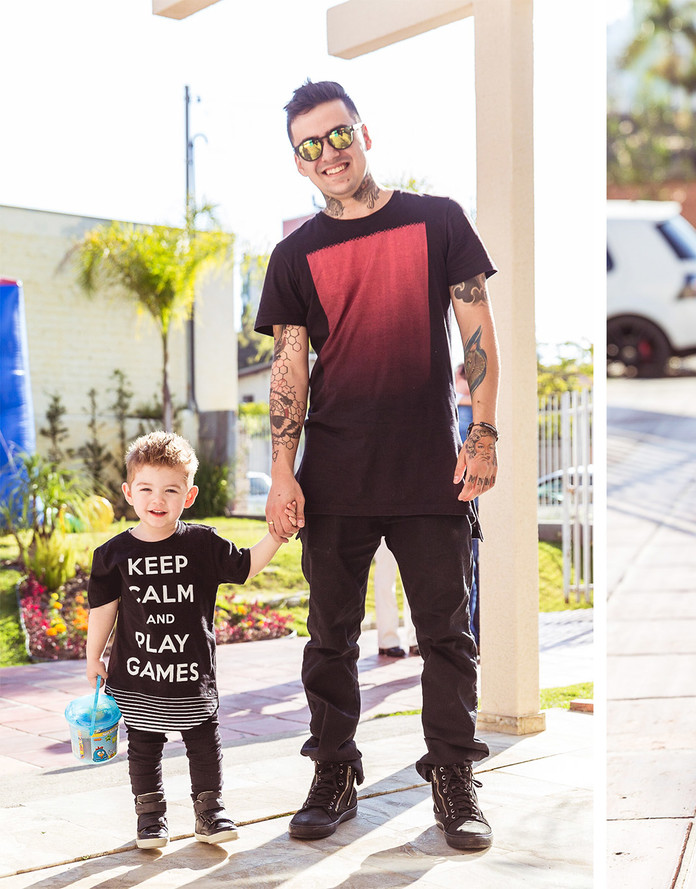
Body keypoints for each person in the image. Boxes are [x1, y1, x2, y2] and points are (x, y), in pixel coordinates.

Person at [255, 79, 500, 851]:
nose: (327, 153)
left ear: (364, 134)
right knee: (329, 638)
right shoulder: (295, 255)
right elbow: (288, 368)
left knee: (448, 635)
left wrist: (483, 432)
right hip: (334, 475)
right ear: (297, 164)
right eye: (309, 146)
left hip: (430, 467)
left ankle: (454, 775)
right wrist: (283, 471)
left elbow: (477, 330)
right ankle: (333, 769)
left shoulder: (437, 220)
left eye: (337, 135)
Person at [85, 432, 286, 849]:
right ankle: (150, 819)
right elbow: (103, 610)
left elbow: (246, 565)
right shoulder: (112, 554)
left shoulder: (202, 544)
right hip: (137, 677)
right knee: (143, 749)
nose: (157, 499)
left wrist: (278, 536)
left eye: (170, 490)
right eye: (146, 488)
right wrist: (93, 658)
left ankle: (210, 812)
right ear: (128, 492)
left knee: (204, 745)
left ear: (188, 495)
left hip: (192, 676)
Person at [456, 363, 481, 644]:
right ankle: (474, 634)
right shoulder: (480, 414)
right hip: (472, 498)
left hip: (465, 498)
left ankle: (471, 635)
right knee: (472, 568)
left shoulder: (463, 412)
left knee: (469, 568)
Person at [373, 539, 417, 658]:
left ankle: (415, 637)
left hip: (410, 524)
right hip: (379, 524)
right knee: (385, 578)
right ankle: (387, 640)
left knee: (414, 575)